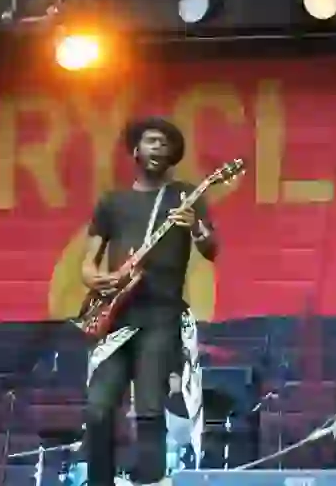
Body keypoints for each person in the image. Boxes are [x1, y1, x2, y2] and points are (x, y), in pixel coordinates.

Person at [80, 118, 218, 486]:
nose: (158, 148)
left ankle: (149, 482)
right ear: (136, 151)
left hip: (161, 316)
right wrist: (98, 279)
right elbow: (88, 265)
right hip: (117, 316)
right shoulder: (113, 201)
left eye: (165, 144)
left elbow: (211, 248)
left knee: (149, 411)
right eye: (151, 142)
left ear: (173, 155)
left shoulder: (185, 195)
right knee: (97, 409)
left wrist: (195, 225)